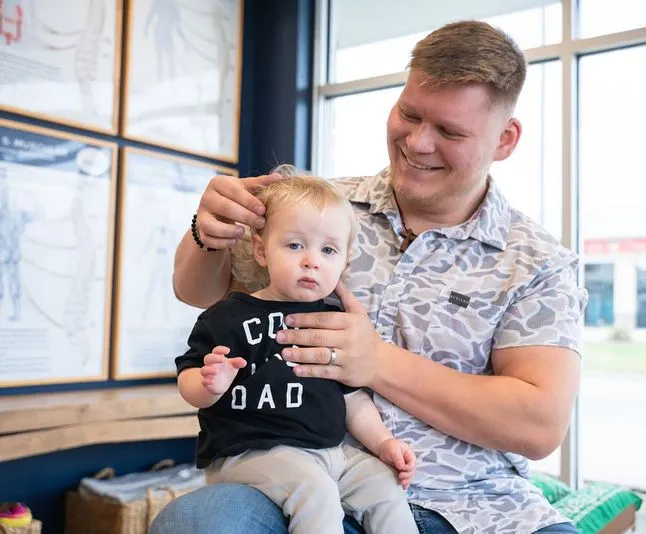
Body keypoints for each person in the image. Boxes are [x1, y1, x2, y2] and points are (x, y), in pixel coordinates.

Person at [153, 20, 587, 534]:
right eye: (409, 113)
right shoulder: (320, 209)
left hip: (481, 507)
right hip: (310, 481)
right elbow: (198, 292)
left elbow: (539, 425)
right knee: (200, 523)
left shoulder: (537, 262)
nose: (419, 142)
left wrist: (376, 361)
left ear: (505, 139)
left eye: (449, 131)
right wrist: (207, 232)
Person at [174, 175, 419, 534]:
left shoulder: (337, 323)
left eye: (328, 251)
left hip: (331, 453)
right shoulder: (228, 315)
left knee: (383, 486)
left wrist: (384, 443)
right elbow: (187, 378)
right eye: (294, 246)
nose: (311, 261)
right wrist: (210, 383)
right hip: (252, 452)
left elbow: (353, 400)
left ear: (343, 263)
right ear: (262, 250)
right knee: (315, 492)